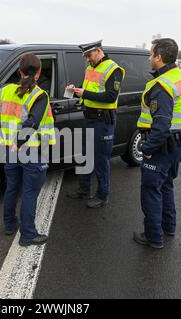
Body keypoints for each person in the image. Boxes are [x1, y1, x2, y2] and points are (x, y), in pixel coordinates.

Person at [0, 53, 56, 247]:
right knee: (29, 193)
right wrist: (19, 141)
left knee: (12, 188)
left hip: (9, 150)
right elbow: (31, 123)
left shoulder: (4, 91)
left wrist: (7, 137)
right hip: (31, 151)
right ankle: (28, 235)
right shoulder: (39, 95)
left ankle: (10, 225)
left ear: (19, 70)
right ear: (39, 71)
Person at [133, 38, 181, 249]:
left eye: (151, 54)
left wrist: (147, 149)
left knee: (151, 191)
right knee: (166, 185)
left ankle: (153, 237)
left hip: (161, 146)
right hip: (178, 144)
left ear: (159, 57)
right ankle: (169, 227)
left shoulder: (163, 85)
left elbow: (161, 124)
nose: (149, 57)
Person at [66, 40, 126, 209]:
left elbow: (110, 96)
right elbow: (87, 90)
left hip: (103, 121)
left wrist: (85, 93)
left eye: (89, 55)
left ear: (99, 51)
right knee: (85, 156)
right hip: (90, 118)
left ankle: (102, 195)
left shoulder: (113, 69)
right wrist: (75, 91)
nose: (87, 59)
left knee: (101, 160)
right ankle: (84, 190)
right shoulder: (90, 68)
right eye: (85, 56)